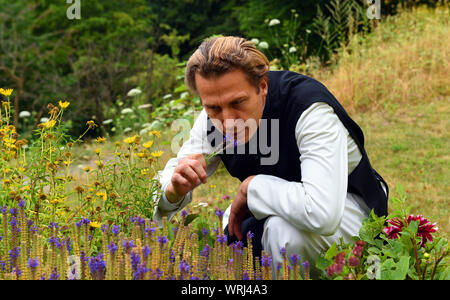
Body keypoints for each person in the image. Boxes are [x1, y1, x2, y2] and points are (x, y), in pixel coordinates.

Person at [154, 36, 388, 277]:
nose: (227, 121)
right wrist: (173, 190)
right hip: (280, 209)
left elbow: (322, 214)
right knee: (245, 235)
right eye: (213, 108)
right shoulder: (213, 118)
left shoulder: (310, 110)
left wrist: (251, 188)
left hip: (352, 210)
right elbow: (172, 175)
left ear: (263, 86)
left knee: (283, 233)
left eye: (238, 102)